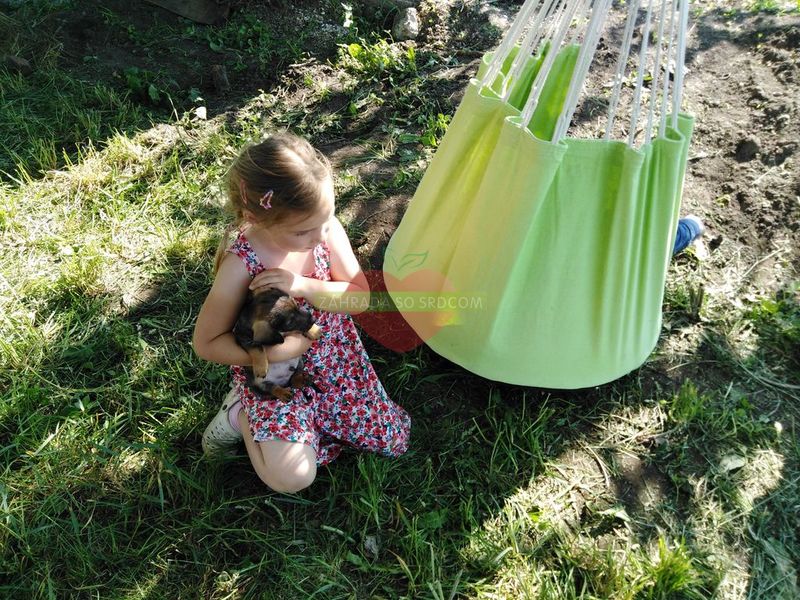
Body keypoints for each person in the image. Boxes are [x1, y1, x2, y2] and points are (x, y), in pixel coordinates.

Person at [193, 133, 411, 493]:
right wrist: (279, 353)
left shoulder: (324, 231)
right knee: (293, 476)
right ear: (256, 217)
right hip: (274, 376)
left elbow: (358, 298)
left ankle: (296, 428)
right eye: (303, 231)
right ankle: (241, 415)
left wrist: (304, 285)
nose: (319, 236)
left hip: (335, 363)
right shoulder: (241, 265)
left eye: (326, 220)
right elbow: (207, 343)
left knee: (392, 439)